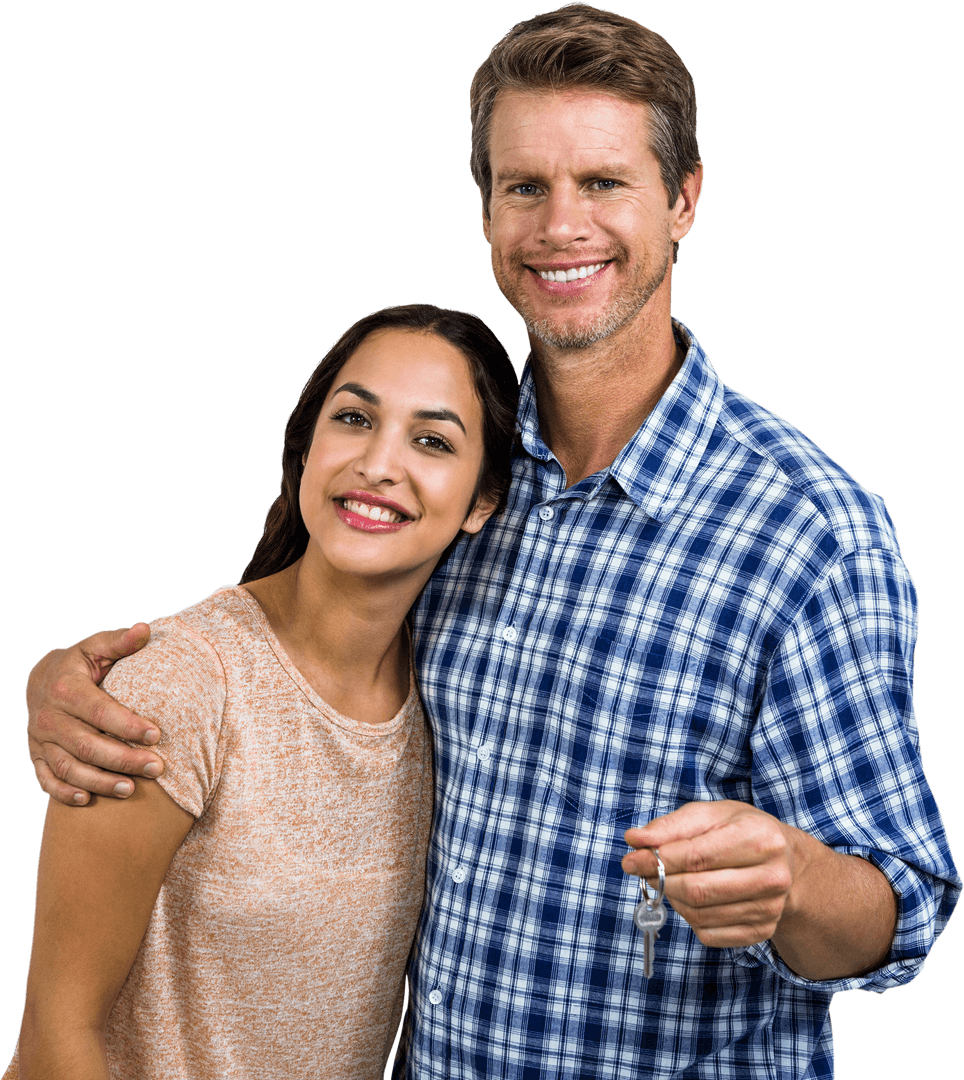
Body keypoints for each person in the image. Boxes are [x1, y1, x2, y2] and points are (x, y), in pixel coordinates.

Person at [23, 5, 961, 1078]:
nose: (562, 225)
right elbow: (284, 660)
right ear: (486, 213)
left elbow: (904, 906)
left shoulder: (810, 532)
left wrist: (794, 877)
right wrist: (77, 685)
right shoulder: (452, 484)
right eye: (525, 187)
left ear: (684, 198)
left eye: (603, 182)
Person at [6, 303, 519, 1080]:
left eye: (432, 440)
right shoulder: (186, 685)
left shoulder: (448, 700)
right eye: (354, 418)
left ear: (482, 500)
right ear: (306, 445)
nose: (379, 464)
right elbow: (54, 1042)